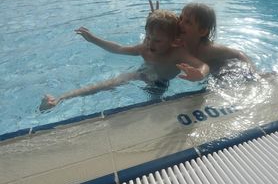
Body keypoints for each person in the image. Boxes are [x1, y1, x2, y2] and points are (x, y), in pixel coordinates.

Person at [40, 9, 209, 111]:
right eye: (149, 37)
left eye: (157, 40)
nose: (150, 43)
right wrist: (94, 39)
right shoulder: (145, 48)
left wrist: (200, 74)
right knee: (108, 83)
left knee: (153, 108)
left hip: (160, 83)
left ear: (173, 41)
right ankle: (60, 98)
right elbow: (118, 48)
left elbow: (203, 65)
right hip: (143, 73)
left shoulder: (176, 54)